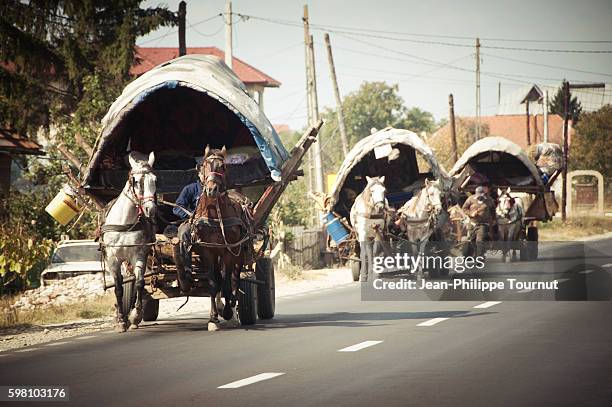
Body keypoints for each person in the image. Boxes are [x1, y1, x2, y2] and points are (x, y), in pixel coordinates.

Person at [172, 166, 206, 292]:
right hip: (192, 223)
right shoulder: (190, 189)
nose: (206, 176)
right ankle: (187, 269)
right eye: (203, 173)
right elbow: (177, 207)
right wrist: (190, 214)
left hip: (212, 224)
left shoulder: (216, 189)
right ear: (199, 174)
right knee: (183, 232)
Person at [462, 185, 495, 257]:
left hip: (483, 224)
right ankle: (477, 253)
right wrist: (470, 213)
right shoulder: (470, 199)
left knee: (479, 241)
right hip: (472, 223)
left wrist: (493, 220)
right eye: (479, 195)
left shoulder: (489, 200)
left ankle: (480, 257)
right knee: (472, 240)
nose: (480, 196)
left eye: (482, 195)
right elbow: (464, 209)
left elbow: (493, 211)